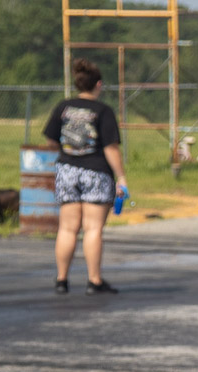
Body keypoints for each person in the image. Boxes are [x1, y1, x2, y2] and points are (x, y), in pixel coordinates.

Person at [43, 58, 125, 295]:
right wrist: (121, 176)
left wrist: (67, 151)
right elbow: (110, 148)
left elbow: (51, 139)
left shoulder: (63, 107)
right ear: (98, 84)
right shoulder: (103, 111)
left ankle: (62, 280)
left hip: (67, 171)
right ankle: (94, 281)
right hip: (96, 172)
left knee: (67, 228)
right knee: (93, 228)